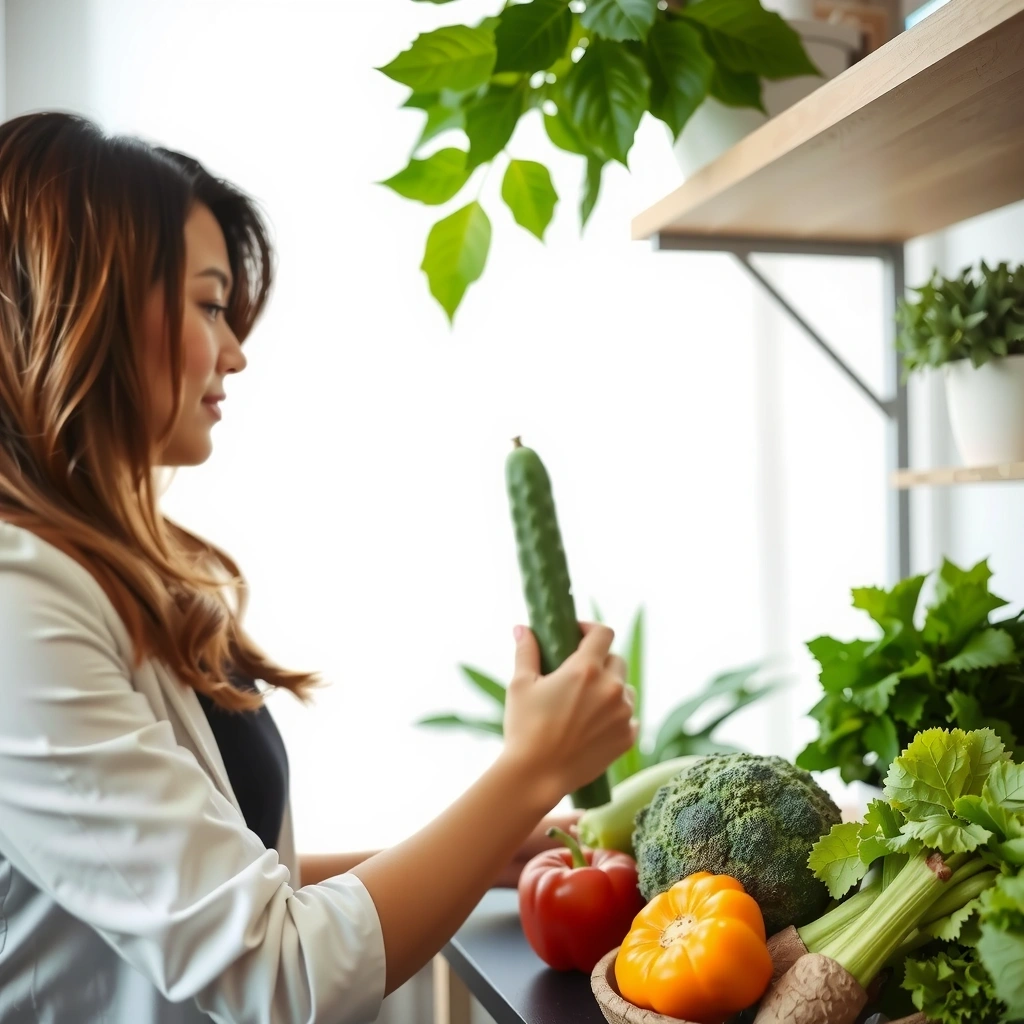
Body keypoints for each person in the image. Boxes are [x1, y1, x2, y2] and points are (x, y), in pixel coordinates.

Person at [0, 111, 638, 1024]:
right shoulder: (17, 607)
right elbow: (277, 973)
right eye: (210, 305)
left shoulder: (99, 569)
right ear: (86, 306)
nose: (235, 351)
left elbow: (230, 893)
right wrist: (529, 770)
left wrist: (495, 845)